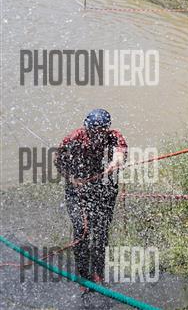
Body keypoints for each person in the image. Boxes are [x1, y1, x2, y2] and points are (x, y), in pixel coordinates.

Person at [54, 109, 127, 286]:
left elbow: (120, 153)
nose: (96, 135)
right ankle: (84, 276)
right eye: (92, 131)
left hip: (103, 187)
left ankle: (99, 274)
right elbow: (58, 161)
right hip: (76, 189)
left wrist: (114, 163)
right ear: (86, 128)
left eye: (100, 132)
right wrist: (72, 179)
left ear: (106, 129)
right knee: (81, 230)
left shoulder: (113, 136)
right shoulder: (74, 138)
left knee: (101, 232)